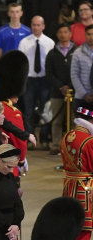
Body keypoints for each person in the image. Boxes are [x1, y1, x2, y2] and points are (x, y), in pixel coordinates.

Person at [59, 106, 93, 240]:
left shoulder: (67, 136)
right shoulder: (89, 141)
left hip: (69, 186)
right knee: (83, 234)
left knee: (73, 231)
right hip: (85, 190)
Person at [17, 16, 54, 145]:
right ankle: (29, 138)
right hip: (30, 79)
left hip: (44, 80)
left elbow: (51, 63)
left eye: (38, 25)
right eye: (33, 25)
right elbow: (20, 62)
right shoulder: (24, 42)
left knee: (45, 111)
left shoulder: (49, 42)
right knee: (28, 111)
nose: (36, 27)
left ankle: (44, 139)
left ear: (43, 26)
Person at [45, 23, 76, 155]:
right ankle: (56, 145)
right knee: (56, 121)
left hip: (75, 92)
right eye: (60, 32)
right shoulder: (52, 53)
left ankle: (74, 145)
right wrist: (60, 86)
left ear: (70, 34)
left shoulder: (77, 51)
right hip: (57, 93)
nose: (63, 34)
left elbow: (79, 71)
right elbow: (49, 73)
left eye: (65, 32)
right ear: (57, 35)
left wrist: (70, 85)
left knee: (74, 120)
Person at [70, 24, 93, 111]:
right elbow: (74, 75)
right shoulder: (78, 53)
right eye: (89, 34)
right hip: (82, 98)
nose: (91, 37)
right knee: (82, 123)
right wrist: (84, 94)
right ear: (85, 35)